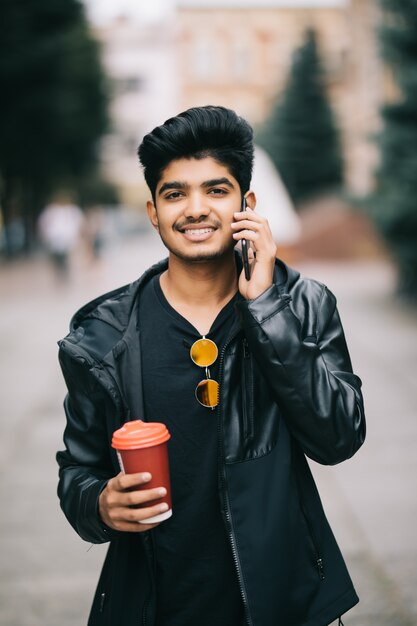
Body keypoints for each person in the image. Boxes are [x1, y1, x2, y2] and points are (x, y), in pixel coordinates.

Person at [56, 106, 366, 626]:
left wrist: (267, 307)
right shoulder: (101, 334)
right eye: (175, 193)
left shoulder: (303, 303)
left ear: (247, 204)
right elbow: (78, 471)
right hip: (153, 604)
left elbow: (338, 437)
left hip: (282, 602)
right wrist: (99, 505)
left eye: (216, 191)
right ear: (153, 211)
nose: (195, 209)